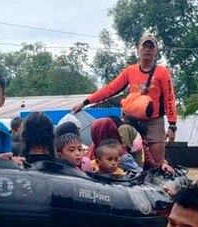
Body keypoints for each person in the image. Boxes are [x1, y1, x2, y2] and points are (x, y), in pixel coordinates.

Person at [72, 33, 178, 166]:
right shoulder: (130, 71)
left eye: (151, 47)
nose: (147, 50)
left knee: (157, 163)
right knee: (124, 156)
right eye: (144, 46)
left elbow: (169, 99)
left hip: (153, 122)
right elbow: (110, 89)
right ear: (138, 49)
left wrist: (172, 126)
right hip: (131, 122)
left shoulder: (162, 72)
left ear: (156, 51)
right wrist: (85, 102)